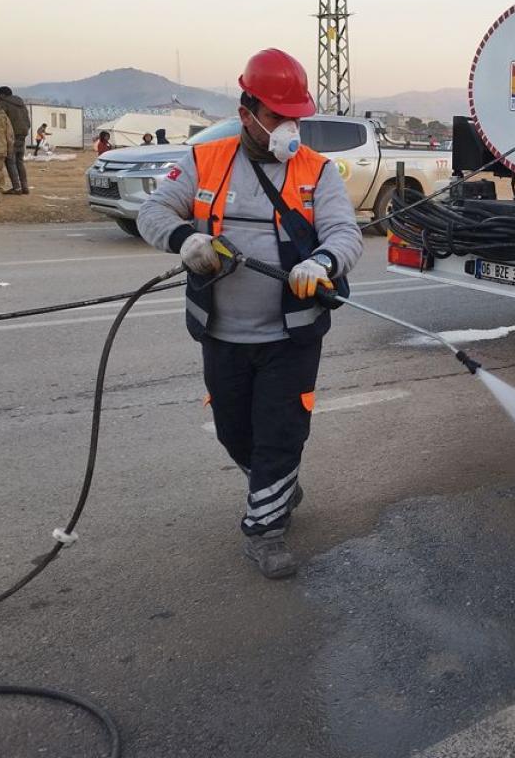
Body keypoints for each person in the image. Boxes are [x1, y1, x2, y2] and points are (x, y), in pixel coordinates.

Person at [138, 48, 363, 579]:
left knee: (281, 432)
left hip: (292, 337)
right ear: (247, 113)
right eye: (279, 116)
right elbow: (153, 209)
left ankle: (265, 531)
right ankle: (276, 485)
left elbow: (345, 235)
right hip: (223, 334)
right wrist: (183, 240)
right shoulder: (203, 161)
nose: (290, 128)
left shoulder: (318, 171)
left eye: (296, 117)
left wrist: (322, 261)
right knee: (234, 432)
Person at [0, 86, 30, 195]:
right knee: (20, 161)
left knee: (10, 162)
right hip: (22, 136)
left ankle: (17, 188)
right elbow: (28, 122)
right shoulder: (21, 104)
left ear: (3, 95)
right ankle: (25, 187)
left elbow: (0, 121)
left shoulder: (4, 104)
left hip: (12, 136)